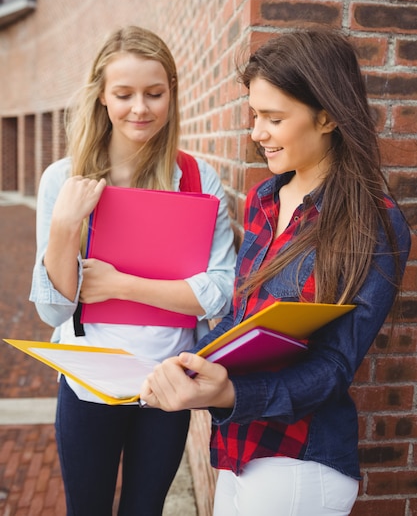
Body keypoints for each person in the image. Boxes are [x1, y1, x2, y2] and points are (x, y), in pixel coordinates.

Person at [141, 27, 411, 516]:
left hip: (300, 461)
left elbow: (333, 368)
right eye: (253, 116)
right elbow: (238, 318)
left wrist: (230, 391)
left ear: (327, 116)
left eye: (273, 118)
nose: (256, 133)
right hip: (239, 446)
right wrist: (183, 364)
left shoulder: (374, 221)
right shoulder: (265, 200)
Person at [29, 25, 236, 516]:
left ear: (172, 94)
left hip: (167, 382)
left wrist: (119, 285)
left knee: (146, 510)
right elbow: (51, 309)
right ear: (102, 97)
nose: (140, 109)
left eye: (154, 93)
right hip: (88, 381)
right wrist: (63, 226)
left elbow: (220, 291)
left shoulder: (195, 178)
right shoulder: (63, 179)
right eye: (124, 94)